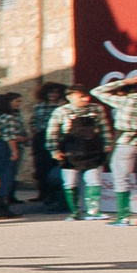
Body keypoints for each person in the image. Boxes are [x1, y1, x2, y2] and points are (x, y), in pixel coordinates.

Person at [93, 73, 137, 226]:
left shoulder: (125, 101)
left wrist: (124, 81)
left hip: (126, 141)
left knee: (121, 179)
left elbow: (96, 91)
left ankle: (123, 217)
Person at [46, 86, 113, 221]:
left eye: (86, 96)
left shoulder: (96, 109)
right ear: (70, 97)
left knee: (94, 181)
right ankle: (75, 212)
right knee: (70, 183)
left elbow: (104, 128)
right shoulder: (61, 111)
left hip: (92, 150)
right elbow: (52, 132)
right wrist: (54, 150)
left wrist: (108, 144)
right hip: (70, 151)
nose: (85, 99)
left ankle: (94, 211)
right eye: (81, 96)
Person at [28, 82, 68, 211]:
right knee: (41, 167)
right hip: (41, 137)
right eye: (50, 93)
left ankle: (57, 195)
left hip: (57, 137)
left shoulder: (62, 107)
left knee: (55, 166)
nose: (53, 95)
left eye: (56, 93)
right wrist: (36, 131)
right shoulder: (39, 106)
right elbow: (33, 121)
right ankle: (44, 193)